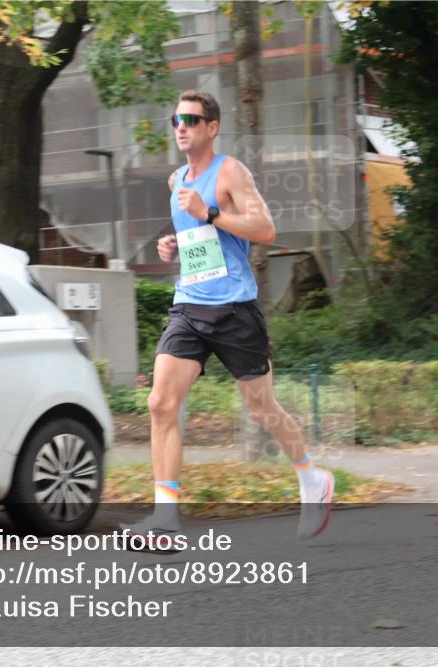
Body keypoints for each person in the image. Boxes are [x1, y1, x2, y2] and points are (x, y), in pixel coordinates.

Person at [119, 90, 333, 545]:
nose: (182, 126)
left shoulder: (231, 171)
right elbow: (197, 236)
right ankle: (166, 520)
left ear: (212, 128)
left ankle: (312, 479)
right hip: (189, 306)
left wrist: (210, 212)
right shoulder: (176, 180)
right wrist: (172, 244)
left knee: (261, 409)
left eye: (192, 120)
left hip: (234, 308)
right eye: (177, 119)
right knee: (160, 404)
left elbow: (266, 230)